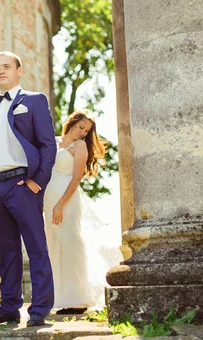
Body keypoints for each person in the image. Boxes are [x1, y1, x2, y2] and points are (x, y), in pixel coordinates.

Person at [0, 51, 57, 327]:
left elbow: (47, 145)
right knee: (5, 251)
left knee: (36, 247)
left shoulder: (33, 101)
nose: (1, 71)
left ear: (19, 70)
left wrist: (37, 182)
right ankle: (9, 308)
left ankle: (40, 309)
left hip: (22, 185)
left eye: (7, 66)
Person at [43, 109, 122, 314]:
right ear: (72, 122)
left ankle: (77, 299)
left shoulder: (79, 146)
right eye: (80, 127)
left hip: (67, 201)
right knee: (53, 247)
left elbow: (76, 178)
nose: (82, 133)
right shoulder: (53, 141)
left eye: (86, 131)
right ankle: (59, 298)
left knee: (70, 244)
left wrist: (60, 204)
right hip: (48, 201)